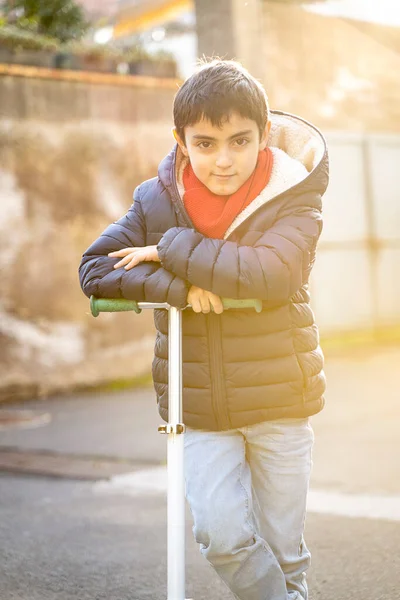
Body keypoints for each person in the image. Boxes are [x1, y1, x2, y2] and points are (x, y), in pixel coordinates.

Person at [79, 58, 329, 600]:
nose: (224, 160)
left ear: (264, 136)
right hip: (199, 407)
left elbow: (274, 273)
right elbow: (96, 269)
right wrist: (182, 288)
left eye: (241, 141)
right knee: (222, 537)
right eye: (207, 143)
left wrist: (168, 250)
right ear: (181, 141)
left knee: (285, 549)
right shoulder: (156, 200)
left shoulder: (294, 196)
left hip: (279, 400)